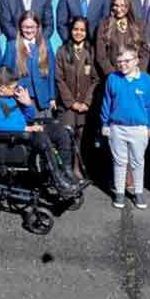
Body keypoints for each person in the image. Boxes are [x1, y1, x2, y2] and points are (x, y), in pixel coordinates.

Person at [0, 66, 79, 196]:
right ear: (2, 88)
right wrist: (26, 128)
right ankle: (58, 179)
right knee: (42, 139)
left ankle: (66, 171)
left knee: (60, 132)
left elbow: (29, 118)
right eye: (13, 87)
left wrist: (27, 104)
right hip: (12, 136)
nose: (16, 89)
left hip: (26, 131)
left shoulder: (11, 97)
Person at [101, 46, 150, 210]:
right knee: (119, 161)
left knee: (138, 162)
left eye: (126, 61)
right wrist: (105, 123)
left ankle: (138, 192)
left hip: (139, 128)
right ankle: (119, 192)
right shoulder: (112, 79)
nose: (122, 64)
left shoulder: (146, 80)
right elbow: (107, 103)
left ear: (136, 60)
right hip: (117, 127)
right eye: (119, 61)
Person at [55, 16, 100, 179]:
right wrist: (71, 103)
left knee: (81, 137)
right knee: (67, 137)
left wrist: (87, 102)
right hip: (68, 105)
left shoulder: (91, 51)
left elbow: (95, 79)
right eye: (75, 29)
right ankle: (65, 170)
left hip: (85, 105)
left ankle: (77, 167)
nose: (78, 33)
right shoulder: (62, 51)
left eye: (82, 30)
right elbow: (59, 79)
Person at [2, 11, 55, 117]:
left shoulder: (46, 44)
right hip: (20, 99)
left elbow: (51, 73)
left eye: (32, 27)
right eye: (25, 27)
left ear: (38, 27)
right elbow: (5, 72)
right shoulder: (12, 46)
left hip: (42, 99)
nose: (29, 30)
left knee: (42, 126)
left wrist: (52, 97)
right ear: (20, 28)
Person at [95, 0, 150, 78]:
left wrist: (137, 73)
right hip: (113, 77)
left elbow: (145, 52)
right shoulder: (104, 25)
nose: (119, 9)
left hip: (135, 77)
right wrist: (114, 76)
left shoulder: (139, 25)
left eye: (123, 6)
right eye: (116, 5)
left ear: (129, 6)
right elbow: (101, 56)